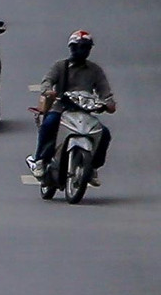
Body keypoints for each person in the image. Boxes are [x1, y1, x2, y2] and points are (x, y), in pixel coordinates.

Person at [28, 31, 115, 184]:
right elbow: (47, 81)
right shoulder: (60, 66)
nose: (82, 51)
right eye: (78, 47)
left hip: (85, 111)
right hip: (61, 110)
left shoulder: (95, 70)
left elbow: (104, 90)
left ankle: (93, 167)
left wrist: (108, 102)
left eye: (86, 48)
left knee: (104, 133)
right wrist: (49, 91)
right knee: (49, 124)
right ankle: (40, 160)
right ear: (72, 48)